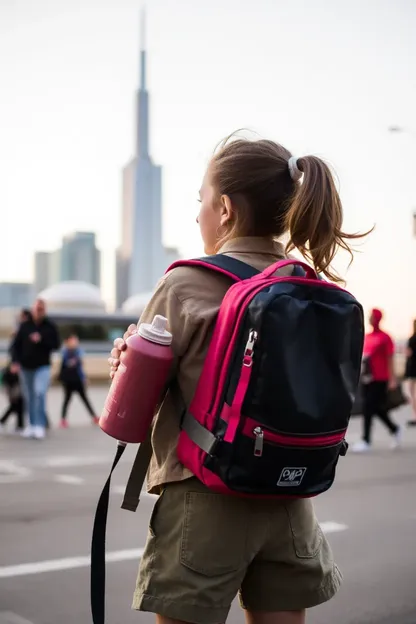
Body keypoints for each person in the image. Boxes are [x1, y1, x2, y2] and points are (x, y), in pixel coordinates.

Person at [109, 135, 368, 624]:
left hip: (206, 498)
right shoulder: (309, 285)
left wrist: (127, 362)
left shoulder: (184, 283)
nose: (199, 214)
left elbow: (129, 417)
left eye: (202, 201)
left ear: (224, 208)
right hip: (292, 499)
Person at [352, 308, 401, 452]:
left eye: (372, 316)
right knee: (376, 408)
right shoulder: (367, 336)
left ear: (377, 318)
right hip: (367, 378)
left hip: (381, 378)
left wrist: (392, 379)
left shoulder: (385, 337)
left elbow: (390, 358)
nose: (370, 318)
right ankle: (395, 429)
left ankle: (366, 440)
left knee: (368, 408)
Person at [11, 298, 60, 440]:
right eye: (36, 309)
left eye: (41, 309)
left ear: (44, 310)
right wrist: (15, 362)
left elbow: (56, 345)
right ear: (32, 310)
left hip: (42, 366)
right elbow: (15, 345)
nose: (38, 312)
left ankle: (39, 425)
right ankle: (31, 425)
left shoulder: (50, 327)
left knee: (39, 393)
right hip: (25, 367)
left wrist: (41, 339)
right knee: (29, 397)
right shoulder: (25, 326)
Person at [58, 334, 98, 428]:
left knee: (85, 399)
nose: (75, 342)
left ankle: (94, 417)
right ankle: (63, 419)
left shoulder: (78, 351)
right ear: (68, 341)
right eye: (73, 340)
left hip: (77, 380)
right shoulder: (65, 352)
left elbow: (80, 367)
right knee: (67, 400)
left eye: (76, 341)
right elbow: (63, 365)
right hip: (68, 380)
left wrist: (83, 378)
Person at [0, 362, 24, 433]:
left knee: (18, 408)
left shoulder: (20, 375)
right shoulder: (6, 375)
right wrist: (11, 397)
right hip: (13, 395)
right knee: (14, 407)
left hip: (20, 395)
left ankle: (20, 425)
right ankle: (19, 426)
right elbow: (5, 388)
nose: (16, 368)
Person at [405, 319, 416, 426]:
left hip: (412, 368)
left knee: (412, 393)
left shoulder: (412, 339)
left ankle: (415, 415)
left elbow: (408, 353)